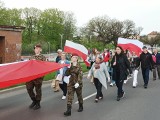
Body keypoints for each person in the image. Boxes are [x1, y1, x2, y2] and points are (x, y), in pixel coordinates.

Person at [26, 44, 46, 110]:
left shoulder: (43, 57)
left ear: (40, 49)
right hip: (31, 76)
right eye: (35, 48)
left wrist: (36, 62)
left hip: (38, 77)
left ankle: (38, 103)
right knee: (29, 88)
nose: (36, 49)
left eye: (38, 48)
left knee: (38, 90)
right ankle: (34, 100)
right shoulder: (31, 57)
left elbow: (44, 66)